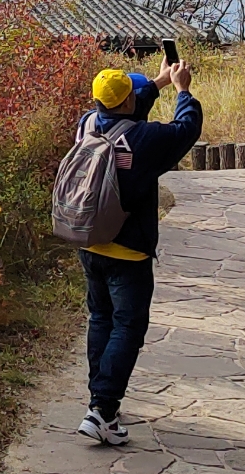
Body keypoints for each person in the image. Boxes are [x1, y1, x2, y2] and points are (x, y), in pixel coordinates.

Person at [74, 59, 201, 446]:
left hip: (90, 240)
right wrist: (182, 90)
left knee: (101, 319)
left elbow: (123, 114)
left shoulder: (87, 125)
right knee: (128, 327)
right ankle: (103, 410)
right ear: (129, 99)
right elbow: (186, 129)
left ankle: (100, 399)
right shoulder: (145, 141)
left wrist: (159, 81)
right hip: (128, 253)